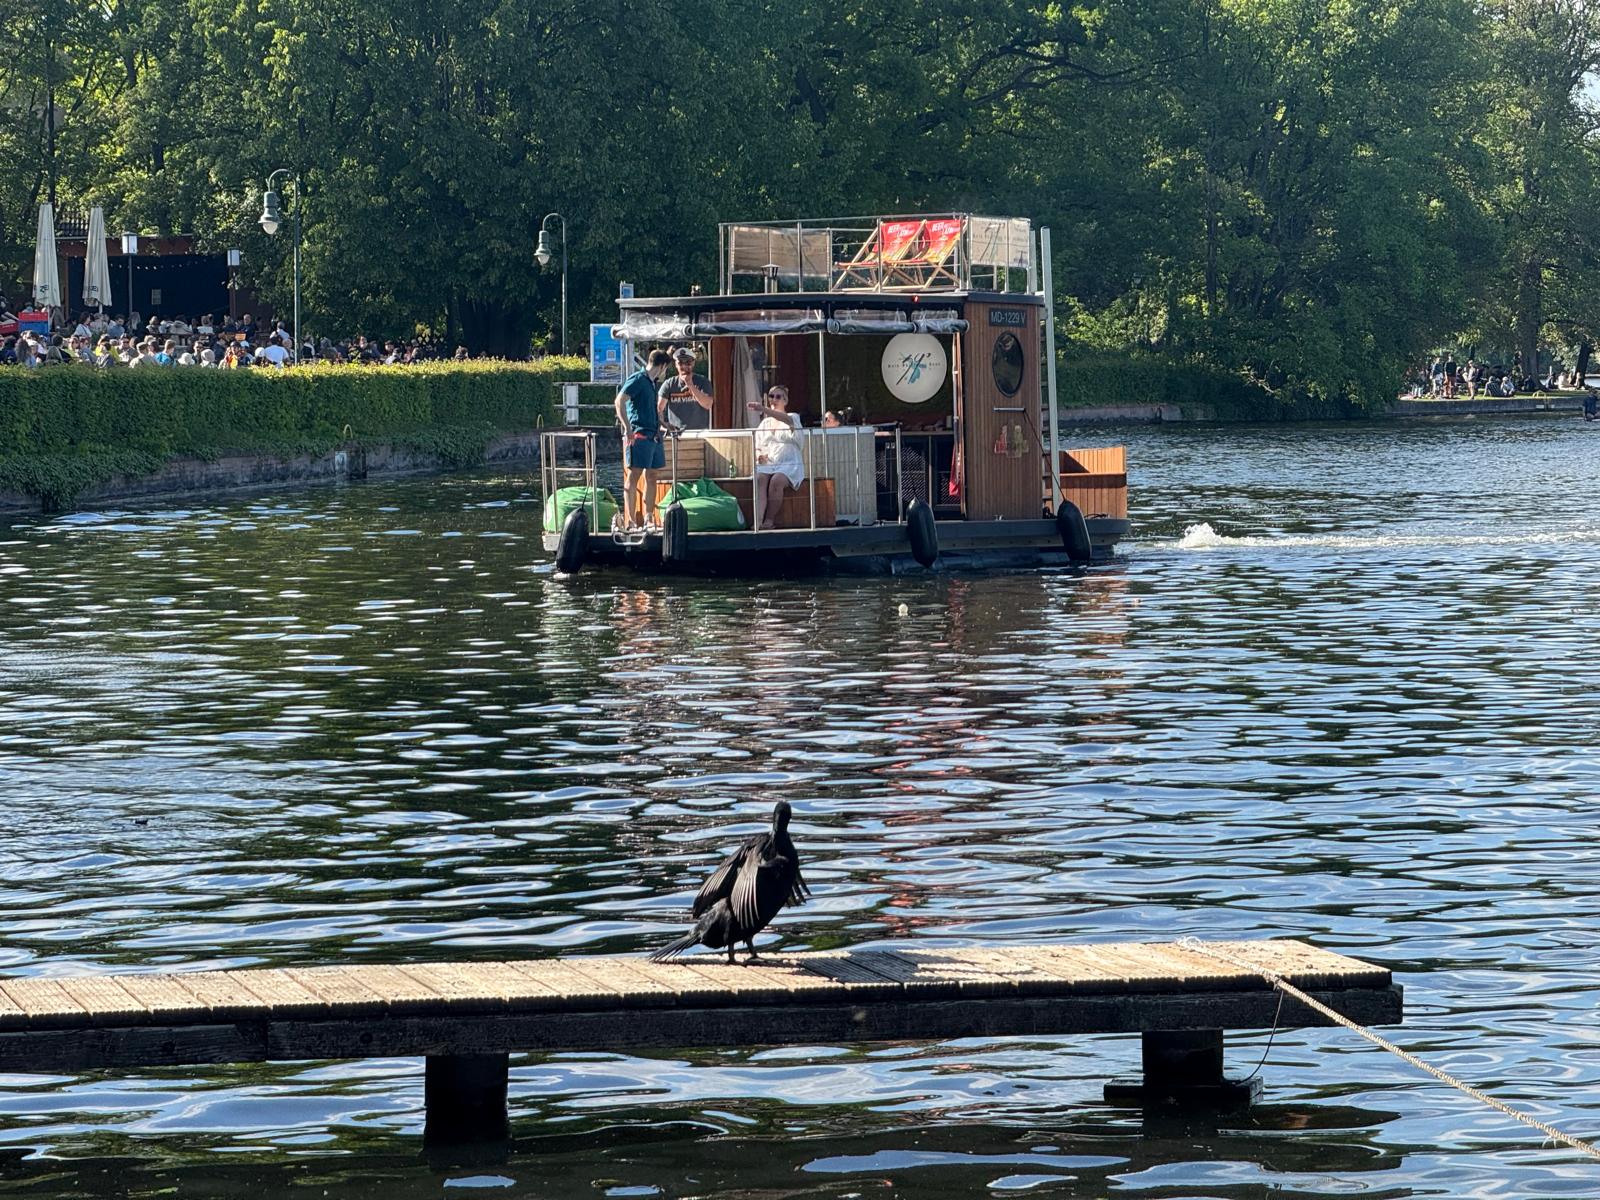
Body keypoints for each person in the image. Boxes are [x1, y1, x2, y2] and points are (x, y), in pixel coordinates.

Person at [615, 349, 673, 530]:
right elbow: (619, 401)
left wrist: (664, 424)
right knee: (634, 476)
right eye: (666, 369)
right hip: (639, 434)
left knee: (653, 475)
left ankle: (649, 518)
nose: (665, 373)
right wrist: (628, 428)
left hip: (654, 436)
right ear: (662, 366)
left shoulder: (651, 383)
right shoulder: (638, 379)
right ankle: (630, 520)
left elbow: (648, 409)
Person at [746, 385, 804, 529]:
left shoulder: (792, 417)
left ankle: (769, 520)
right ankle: (758, 521)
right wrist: (759, 455)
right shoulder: (764, 423)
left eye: (778, 396)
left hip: (789, 463)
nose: (774, 399)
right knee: (760, 478)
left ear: (785, 400)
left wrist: (763, 409)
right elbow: (757, 445)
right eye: (771, 396)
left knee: (777, 481)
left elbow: (787, 421)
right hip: (769, 462)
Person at [657, 346, 714, 430]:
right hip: (676, 434)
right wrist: (664, 426)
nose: (684, 366)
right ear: (676, 364)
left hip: (699, 433)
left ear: (693, 363)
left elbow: (708, 404)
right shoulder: (669, 384)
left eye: (688, 363)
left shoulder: (703, 382)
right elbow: (659, 408)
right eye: (680, 363)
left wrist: (690, 385)